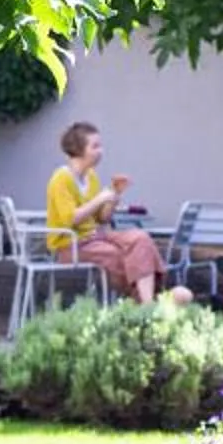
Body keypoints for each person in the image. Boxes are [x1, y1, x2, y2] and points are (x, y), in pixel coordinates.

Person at [44, 122, 178, 306]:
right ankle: (151, 303)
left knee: (140, 238)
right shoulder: (61, 179)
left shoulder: (91, 176)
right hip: (71, 245)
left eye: (100, 145)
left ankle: (149, 303)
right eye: (95, 146)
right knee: (119, 256)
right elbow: (70, 219)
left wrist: (114, 195)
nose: (101, 151)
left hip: (97, 237)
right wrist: (100, 199)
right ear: (78, 149)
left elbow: (102, 218)